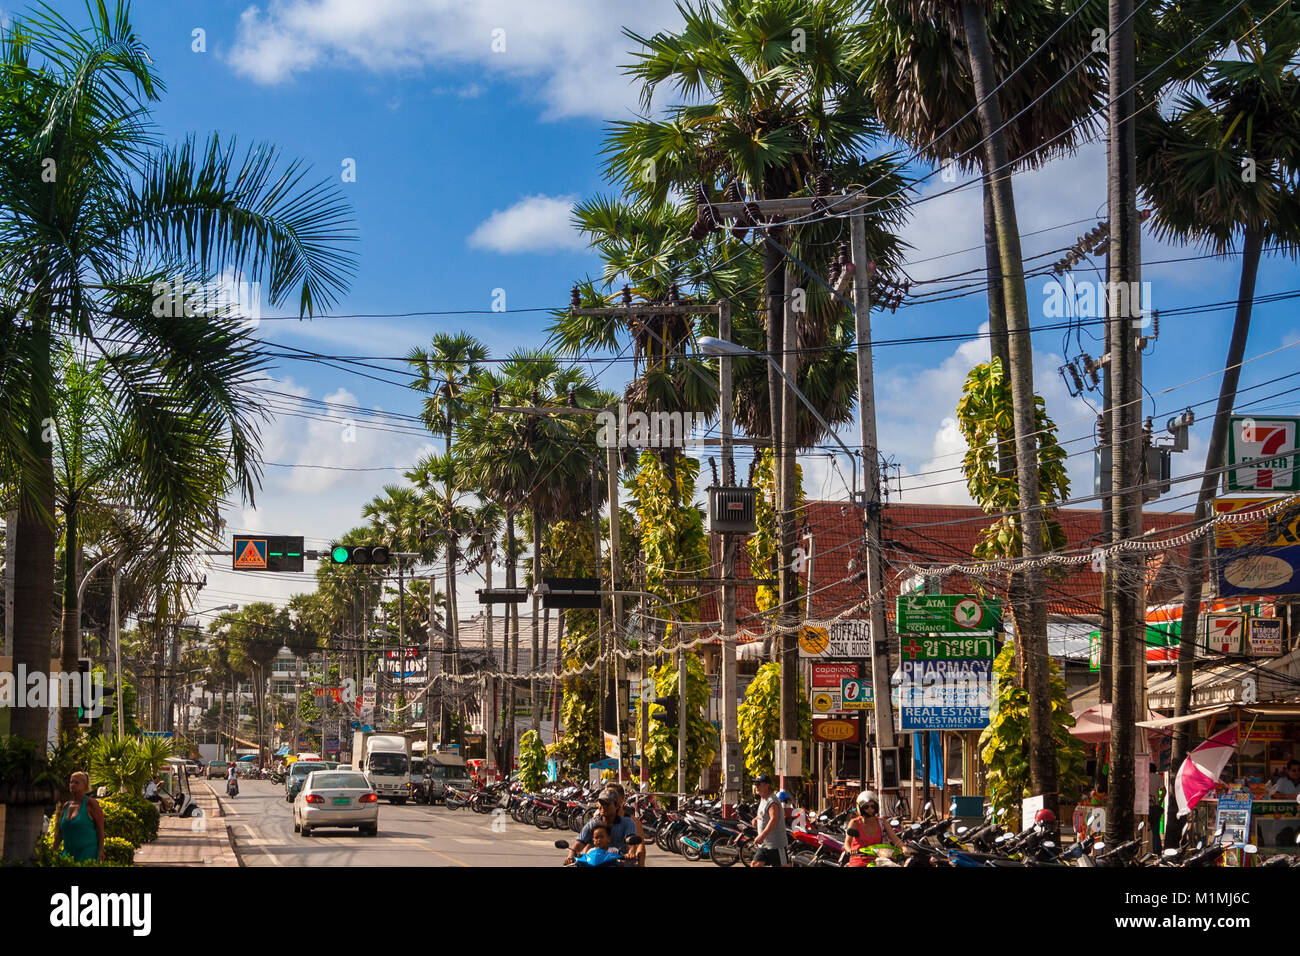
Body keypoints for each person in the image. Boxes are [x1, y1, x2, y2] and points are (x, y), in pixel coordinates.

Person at [567, 786, 644, 866]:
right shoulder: (592, 823)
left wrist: (631, 852)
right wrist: (571, 855)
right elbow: (580, 842)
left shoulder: (627, 822)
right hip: (594, 862)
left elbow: (630, 840)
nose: (603, 806)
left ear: (617, 806)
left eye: (607, 804)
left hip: (620, 863)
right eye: (601, 803)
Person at [53, 771, 104, 863]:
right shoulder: (66, 805)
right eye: (71, 782)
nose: (72, 785)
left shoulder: (91, 804)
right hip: (68, 856)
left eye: (76, 782)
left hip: (87, 855)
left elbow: (100, 829)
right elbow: (60, 833)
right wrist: (53, 851)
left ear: (85, 786)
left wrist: (101, 851)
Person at [841, 791, 901, 866]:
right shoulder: (855, 823)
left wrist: (904, 848)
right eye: (866, 807)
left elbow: (895, 839)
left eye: (873, 806)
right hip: (859, 859)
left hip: (878, 860)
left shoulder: (882, 822)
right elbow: (847, 843)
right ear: (860, 808)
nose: (870, 809)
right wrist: (850, 850)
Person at [750, 774, 787, 867]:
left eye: (759, 784)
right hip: (764, 845)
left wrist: (761, 836)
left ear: (767, 785)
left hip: (775, 844)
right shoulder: (763, 799)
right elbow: (763, 815)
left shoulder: (772, 801)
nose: (756, 786)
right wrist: (756, 819)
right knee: (755, 864)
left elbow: (773, 819)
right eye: (755, 784)